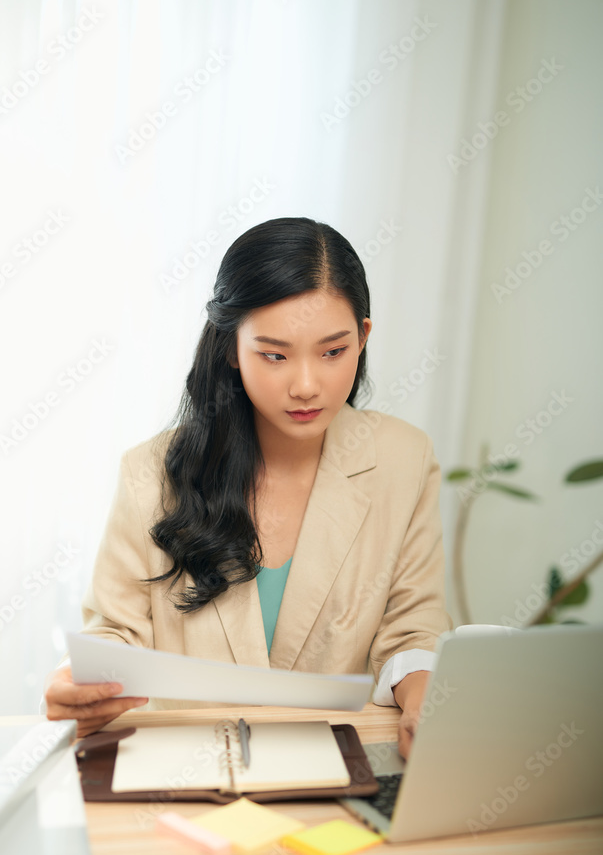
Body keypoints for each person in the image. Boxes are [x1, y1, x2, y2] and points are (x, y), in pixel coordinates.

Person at [44, 216, 453, 760]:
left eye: (333, 352)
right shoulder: (150, 472)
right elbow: (116, 635)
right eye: (274, 355)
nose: (306, 384)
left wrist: (427, 697)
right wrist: (83, 681)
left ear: (364, 338)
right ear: (231, 348)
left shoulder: (404, 459)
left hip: (334, 767)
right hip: (191, 772)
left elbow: (412, 630)